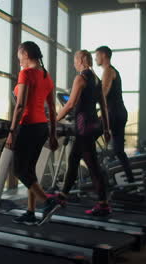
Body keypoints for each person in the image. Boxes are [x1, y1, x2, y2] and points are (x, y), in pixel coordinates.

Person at [6, 41, 61, 226]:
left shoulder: (26, 73)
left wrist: (12, 131)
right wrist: (52, 135)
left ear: (26, 54)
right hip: (42, 128)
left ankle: (47, 202)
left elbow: (20, 106)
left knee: (20, 170)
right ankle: (30, 211)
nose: (19, 60)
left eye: (19, 56)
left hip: (28, 126)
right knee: (30, 171)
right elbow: (52, 109)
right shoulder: (46, 76)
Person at [54, 50, 113, 216]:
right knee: (73, 159)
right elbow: (104, 107)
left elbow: (70, 104)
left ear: (80, 60)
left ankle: (103, 204)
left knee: (93, 165)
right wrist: (107, 129)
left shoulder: (80, 78)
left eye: (74, 60)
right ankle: (63, 195)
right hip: (95, 125)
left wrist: (53, 120)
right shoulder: (96, 80)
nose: (74, 64)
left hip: (84, 127)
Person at [95, 46, 135, 183]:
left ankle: (98, 179)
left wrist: (88, 104)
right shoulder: (113, 71)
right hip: (120, 112)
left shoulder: (107, 71)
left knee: (86, 138)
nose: (95, 58)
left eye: (97, 55)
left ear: (104, 55)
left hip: (113, 113)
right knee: (119, 150)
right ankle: (131, 180)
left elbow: (103, 94)